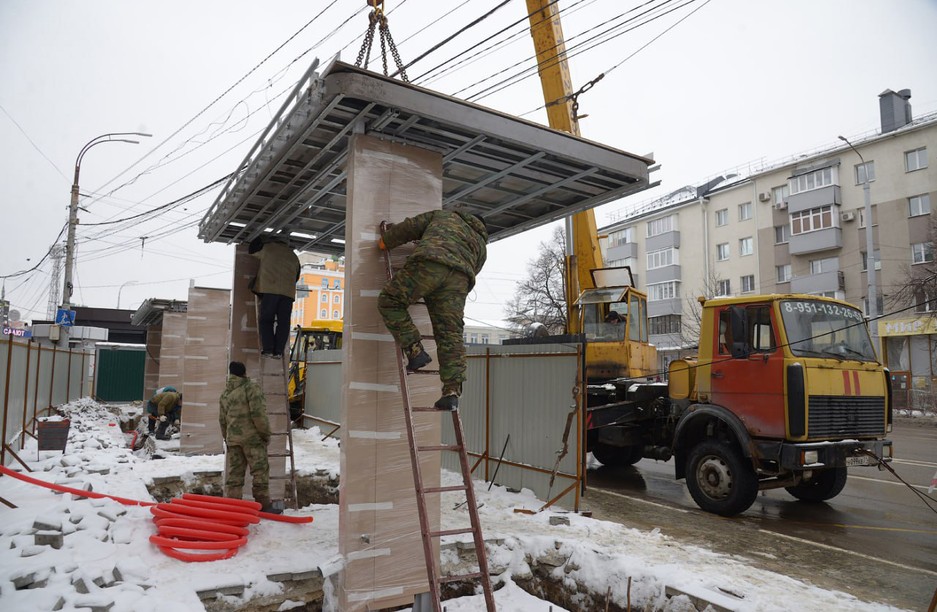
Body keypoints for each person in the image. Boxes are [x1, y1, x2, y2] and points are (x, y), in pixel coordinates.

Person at [378, 209, 488, 411]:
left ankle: (415, 350)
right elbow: (475, 268)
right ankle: (451, 392)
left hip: (430, 264)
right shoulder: (481, 245)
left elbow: (411, 226)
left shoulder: (446, 215)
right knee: (450, 334)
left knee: (390, 300)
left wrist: (386, 241)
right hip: (458, 281)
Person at [219, 361, 279, 513]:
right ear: (244, 373)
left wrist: (227, 438)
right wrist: (265, 434)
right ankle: (264, 505)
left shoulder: (225, 393)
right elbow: (259, 414)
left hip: (233, 439)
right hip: (252, 439)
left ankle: (233, 508)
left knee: (235, 475)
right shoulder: (250, 388)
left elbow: (222, 419)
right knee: (260, 471)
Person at [248, 235, 301, 358]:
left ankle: (268, 349)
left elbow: (252, 251)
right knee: (283, 322)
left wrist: (259, 238)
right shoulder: (293, 256)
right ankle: (278, 351)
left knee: (266, 320)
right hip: (288, 293)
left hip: (270, 290)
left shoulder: (267, 249)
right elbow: (297, 276)